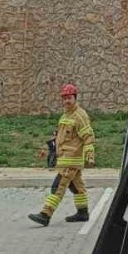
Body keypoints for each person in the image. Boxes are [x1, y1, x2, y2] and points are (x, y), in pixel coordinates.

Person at [29, 84, 94, 226]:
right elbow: (61, 137)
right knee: (76, 187)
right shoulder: (65, 115)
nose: (66, 101)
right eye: (64, 98)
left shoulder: (80, 115)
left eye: (69, 98)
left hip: (71, 160)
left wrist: (90, 154)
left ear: (75, 98)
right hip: (65, 159)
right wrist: (48, 149)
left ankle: (45, 214)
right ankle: (82, 213)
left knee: (57, 186)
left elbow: (88, 136)